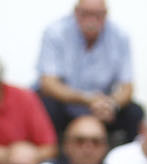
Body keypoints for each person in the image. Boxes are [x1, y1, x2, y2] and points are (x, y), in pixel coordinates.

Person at [37, 0, 140, 147]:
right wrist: (87, 99)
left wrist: (111, 104)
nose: (91, 20)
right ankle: (54, 160)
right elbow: (48, 83)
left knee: (135, 112)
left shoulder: (120, 36)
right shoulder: (55, 32)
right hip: (66, 104)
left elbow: (127, 87)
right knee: (44, 105)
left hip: (103, 106)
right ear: (75, 12)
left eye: (97, 15)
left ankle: (123, 162)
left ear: (106, 14)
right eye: (85, 14)